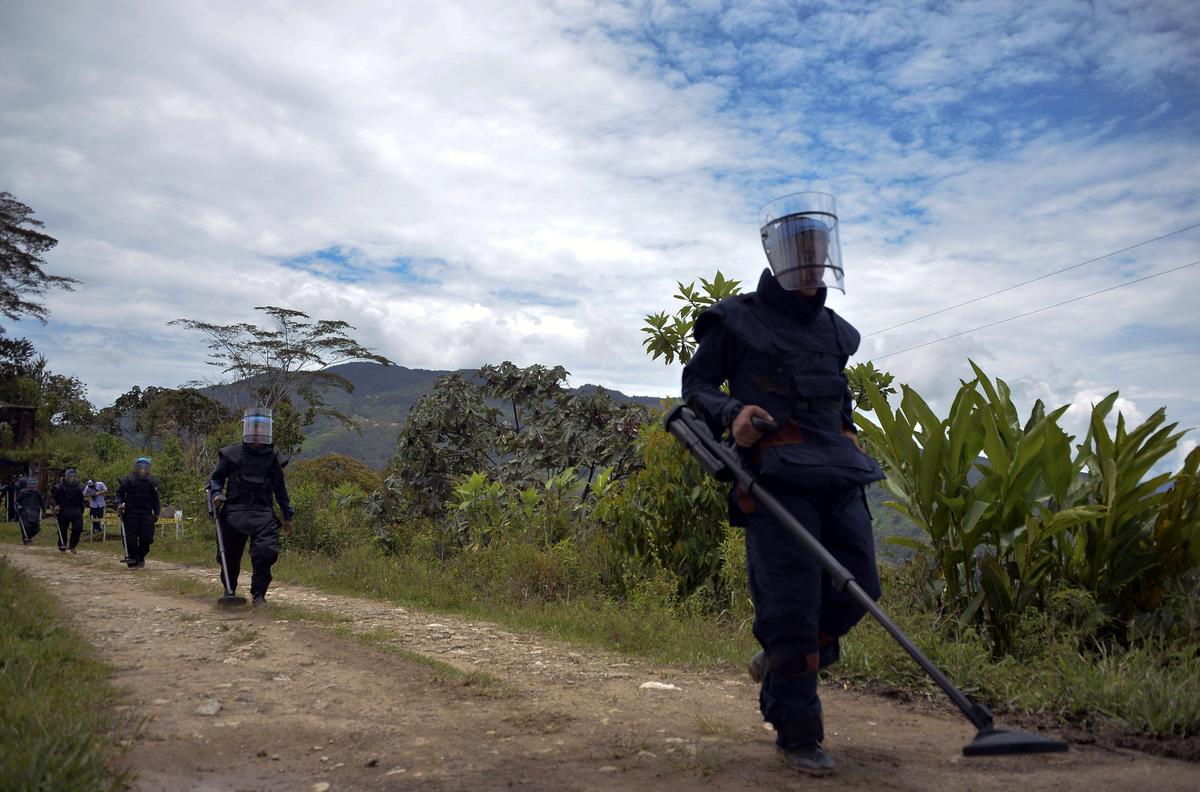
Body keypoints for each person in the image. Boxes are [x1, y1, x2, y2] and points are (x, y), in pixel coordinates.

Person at [681, 192, 884, 776]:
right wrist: (734, 414)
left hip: (838, 472)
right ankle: (797, 730)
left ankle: (783, 657)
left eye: (819, 247)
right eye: (801, 247)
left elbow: (837, 401)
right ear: (777, 251)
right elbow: (696, 388)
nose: (812, 258)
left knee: (861, 584)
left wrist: (847, 433)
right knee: (791, 604)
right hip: (774, 477)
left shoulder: (835, 331)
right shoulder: (735, 318)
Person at [208, 407, 294, 608]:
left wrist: (288, 516)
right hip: (234, 512)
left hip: (263, 514)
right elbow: (216, 478)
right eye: (253, 428)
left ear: (267, 429)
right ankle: (229, 590)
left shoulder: (273, 459)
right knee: (229, 556)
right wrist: (217, 494)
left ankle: (259, 596)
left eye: (261, 428)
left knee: (266, 553)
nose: (257, 432)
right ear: (247, 429)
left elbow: (281, 491)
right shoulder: (231, 455)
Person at [116, 457, 160, 568]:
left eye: (145, 468)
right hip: (131, 513)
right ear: (137, 468)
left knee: (147, 538)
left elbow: (156, 499)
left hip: (146, 513)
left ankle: (140, 556)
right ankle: (133, 559)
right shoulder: (128, 480)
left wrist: (157, 513)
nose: (143, 470)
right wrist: (119, 505)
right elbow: (119, 495)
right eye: (141, 468)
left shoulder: (151, 482)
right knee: (130, 538)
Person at [51, 468, 87, 554]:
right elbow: (54, 499)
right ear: (66, 477)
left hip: (76, 510)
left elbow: (81, 499)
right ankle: (62, 545)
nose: (72, 478)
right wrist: (55, 506)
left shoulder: (79, 487)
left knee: (78, 528)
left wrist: (82, 509)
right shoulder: (59, 487)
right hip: (63, 510)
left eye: (74, 477)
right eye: (70, 477)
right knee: (62, 529)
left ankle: (73, 545)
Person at [15, 477, 44, 545]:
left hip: (35, 511)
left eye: (33, 485)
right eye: (30, 485)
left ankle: (29, 537)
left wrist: (43, 509)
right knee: (26, 526)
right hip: (24, 511)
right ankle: (25, 539)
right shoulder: (22, 492)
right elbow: (17, 501)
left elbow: (42, 502)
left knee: (36, 529)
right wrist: (18, 506)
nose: (31, 486)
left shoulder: (37, 493)